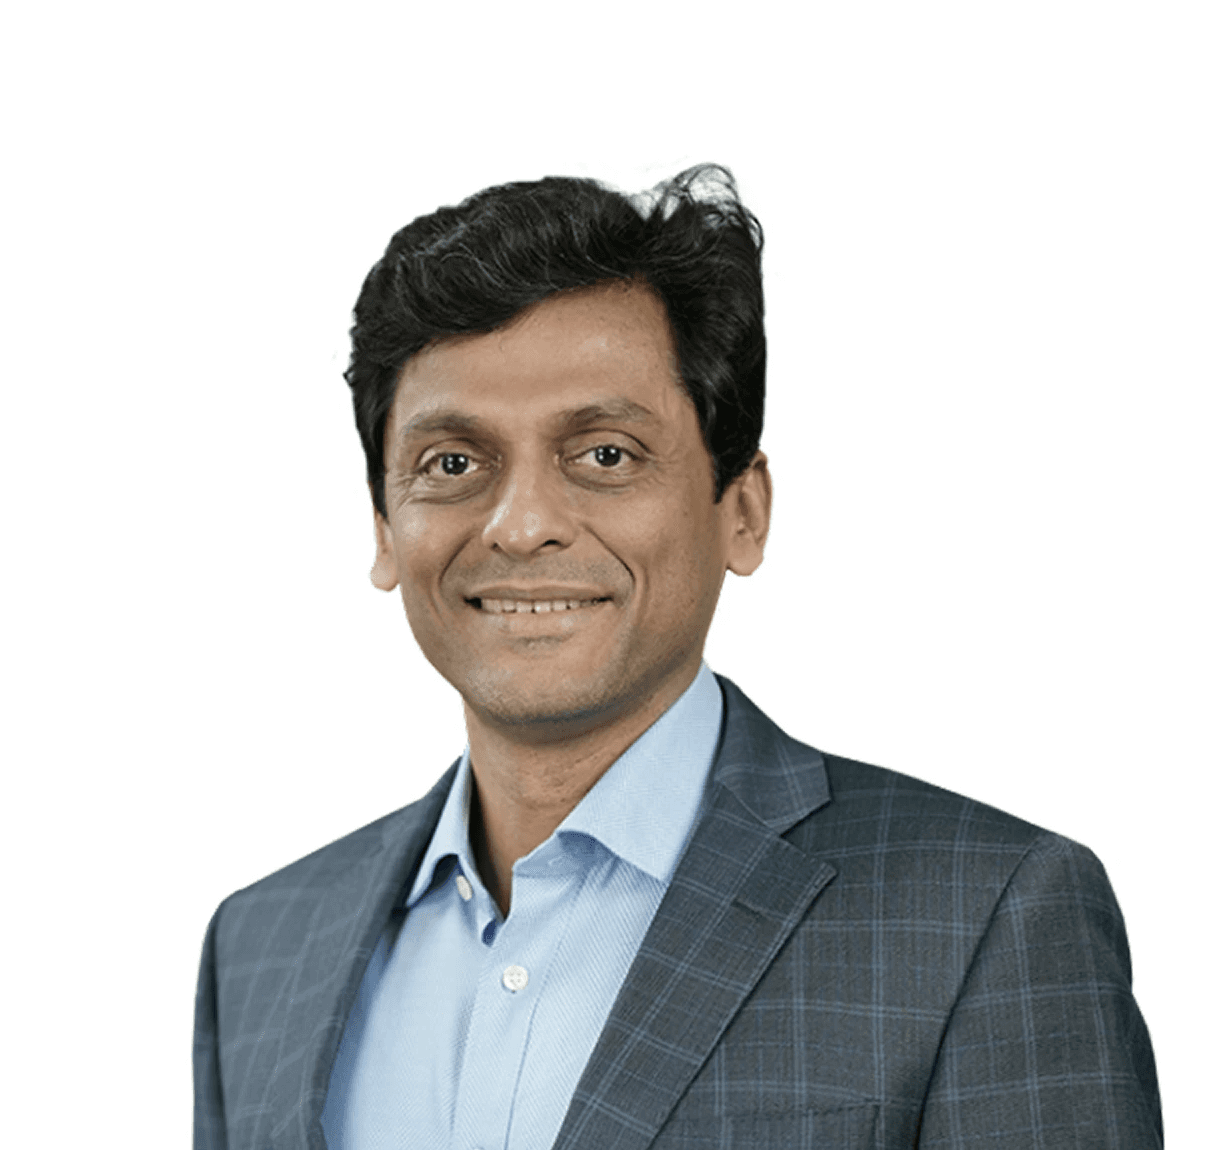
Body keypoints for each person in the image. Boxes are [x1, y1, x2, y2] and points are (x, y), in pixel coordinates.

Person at [193, 166, 1162, 1150]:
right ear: (384, 528)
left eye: (605, 454)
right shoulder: (261, 949)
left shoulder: (983, 915)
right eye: (453, 463)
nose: (521, 525)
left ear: (743, 510)